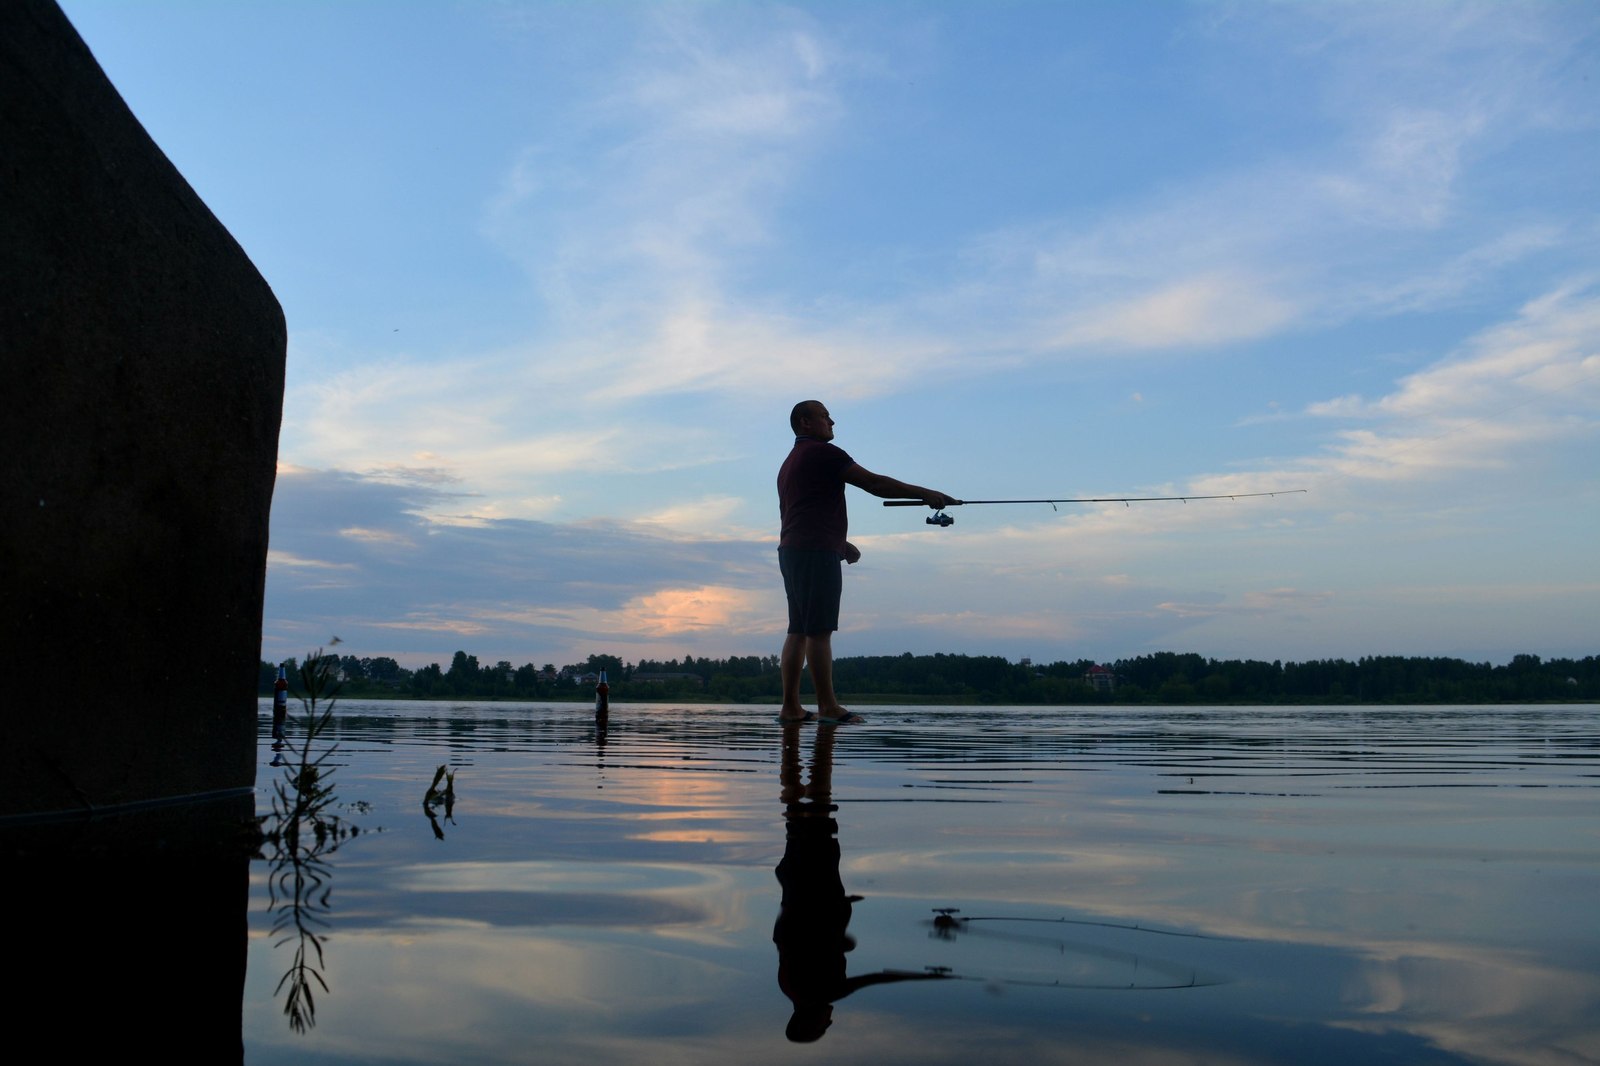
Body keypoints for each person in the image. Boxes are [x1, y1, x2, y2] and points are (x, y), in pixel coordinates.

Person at [777, 400, 955, 724]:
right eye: (824, 416)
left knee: (799, 630)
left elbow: (799, 513)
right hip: (813, 553)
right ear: (805, 422)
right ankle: (828, 707)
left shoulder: (791, 462)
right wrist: (925, 493)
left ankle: (791, 708)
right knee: (818, 631)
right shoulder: (823, 453)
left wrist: (838, 543)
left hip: (794, 550)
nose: (832, 421)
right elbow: (874, 483)